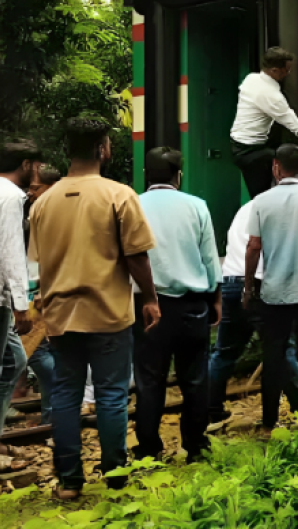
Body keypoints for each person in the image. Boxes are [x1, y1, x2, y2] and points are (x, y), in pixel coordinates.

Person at [27, 118, 160, 499]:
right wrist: (150, 298)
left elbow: (39, 260)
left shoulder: (43, 202)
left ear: (66, 150)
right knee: (112, 394)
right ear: (103, 148)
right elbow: (136, 257)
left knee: (66, 394)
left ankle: (69, 481)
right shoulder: (119, 195)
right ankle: (116, 475)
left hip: (60, 316)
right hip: (108, 313)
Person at [133, 147, 221, 462]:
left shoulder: (133, 205)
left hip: (146, 304)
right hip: (191, 304)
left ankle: (148, 448)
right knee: (195, 378)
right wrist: (216, 299)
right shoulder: (197, 206)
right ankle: (195, 446)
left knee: (148, 378)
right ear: (178, 176)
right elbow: (210, 257)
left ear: (146, 175)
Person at [244, 143, 298, 429]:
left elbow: (253, 246)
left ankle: (269, 419)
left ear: (275, 166)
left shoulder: (261, 201)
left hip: (274, 291)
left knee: (273, 355)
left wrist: (248, 287)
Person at [207, 199, 298, 426]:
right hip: (258, 285)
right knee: (283, 348)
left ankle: (210, 408)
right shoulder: (274, 210)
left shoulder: (244, 209)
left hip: (231, 281)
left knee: (224, 352)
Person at [229, 47, 298, 198]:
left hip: (240, 145)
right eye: (286, 70)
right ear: (275, 70)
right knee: (289, 168)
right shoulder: (272, 96)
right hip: (251, 152)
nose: (288, 73)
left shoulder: (251, 79)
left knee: (263, 194)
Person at [0, 140, 37, 468]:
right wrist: (20, 305)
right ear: (25, 164)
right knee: (11, 363)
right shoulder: (11, 197)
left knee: (13, 362)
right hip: (0, 298)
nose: (37, 173)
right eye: (35, 166)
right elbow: (11, 251)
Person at [22, 164, 59, 427]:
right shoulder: (40, 209)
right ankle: (52, 415)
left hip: (38, 290)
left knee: (33, 350)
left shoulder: (50, 211)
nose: (30, 193)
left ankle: (52, 416)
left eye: (35, 188)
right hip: (35, 287)